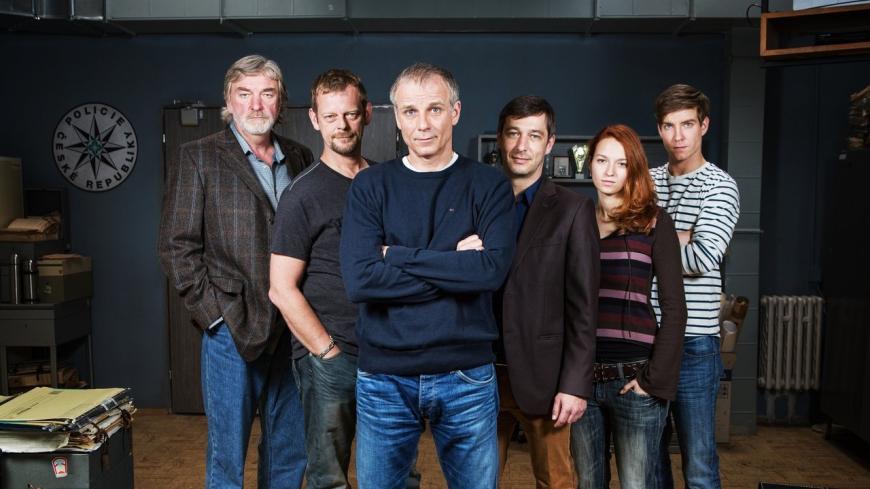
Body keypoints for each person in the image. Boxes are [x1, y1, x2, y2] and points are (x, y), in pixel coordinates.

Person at [339, 62, 516, 489]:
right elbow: (361, 281)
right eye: (410, 111)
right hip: (385, 376)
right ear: (397, 119)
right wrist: (453, 263)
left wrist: (395, 255)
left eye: (434, 109)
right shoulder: (369, 186)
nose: (423, 124)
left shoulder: (489, 185)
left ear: (455, 111)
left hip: (466, 374)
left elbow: (489, 272)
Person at [158, 54, 313, 489]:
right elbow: (176, 246)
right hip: (231, 328)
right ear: (229, 100)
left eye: (267, 94)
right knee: (227, 456)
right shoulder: (199, 157)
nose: (256, 105)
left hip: (293, 327)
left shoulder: (300, 156)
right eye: (244, 94)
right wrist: (214, 316)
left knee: (290, 450)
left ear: (281, 101)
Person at [268, 69, 374, 489]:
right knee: (329, 476)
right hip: (331, 356)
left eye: (350, 114)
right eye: (330, 117)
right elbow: (281, 288)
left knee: (395, 470)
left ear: (366, 114)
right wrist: (326, 351)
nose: (341, 125)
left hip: (386, 354)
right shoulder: (302, 194)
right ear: (314, 119)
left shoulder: (384, 182)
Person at [570, 124, 687, 488]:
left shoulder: (654, 222)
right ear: (590, 164)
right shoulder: (575, 222)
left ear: (633, 168)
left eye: (621, 163)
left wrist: (652, 381)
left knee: (637, 484)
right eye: (602, 160)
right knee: (588, 483)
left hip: (634, 379)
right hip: (581, 380)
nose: (609, 171)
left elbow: (675, 308)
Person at [493, 95, 599, 489]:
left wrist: (574, 384)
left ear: (550, 142)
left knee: (555, 482)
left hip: (545, 376)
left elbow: (584, 308)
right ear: (501, 139)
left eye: (534, 135)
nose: (522, 146)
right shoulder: (478, 201)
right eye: (514, 134)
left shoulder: (573, 209)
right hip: (481, 374)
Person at [651, 84, 740, 489]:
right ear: (660, 129)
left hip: (694, 341)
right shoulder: (646, 181)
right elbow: (625, 248)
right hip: (646, 337)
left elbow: (702, 258)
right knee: (650, 462)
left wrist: (653, 239)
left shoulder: (720, 186)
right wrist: (680, 236)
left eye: (687, 124)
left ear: (704, 125)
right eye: (669, 126)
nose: (678, 136)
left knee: (699, 464)